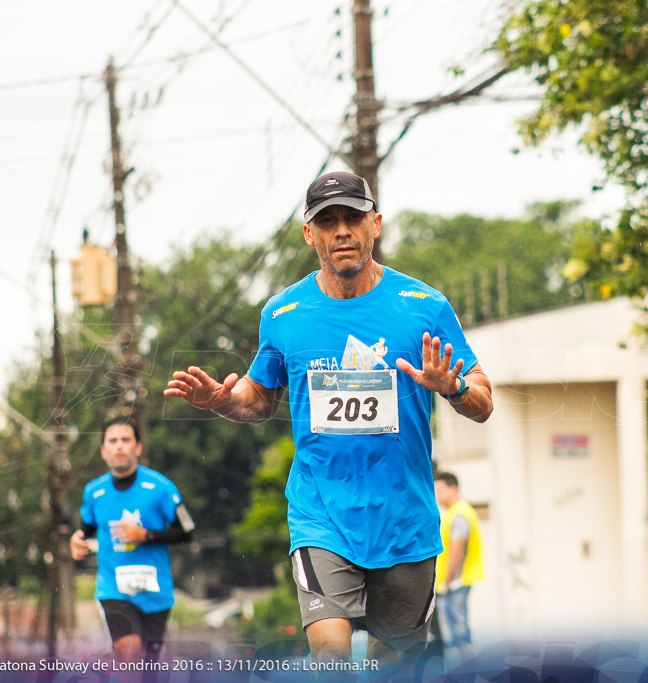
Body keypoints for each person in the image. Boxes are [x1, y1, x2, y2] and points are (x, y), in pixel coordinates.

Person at [164, 170, 493, 675]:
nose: (342, 230)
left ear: (375, 224)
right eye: (328, 220)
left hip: (405, 522)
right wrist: (222, 401)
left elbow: (484, 400)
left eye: (353, 218)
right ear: (309, 233)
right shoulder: (284, 312)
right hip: (322, 517)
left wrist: (454, 387)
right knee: (332, 657)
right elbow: (259, 398)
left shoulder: (424, 307)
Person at [70, 417, 195, 664]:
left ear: (138, 447)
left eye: (126, 440)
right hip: (113, 588)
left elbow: (187, 532)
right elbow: (85, 528)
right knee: (129, 656)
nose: (119, 446)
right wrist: (77, 540)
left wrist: (145, 535)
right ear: (104, 451)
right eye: (113, 441)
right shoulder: (93, 492)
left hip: (155, 591)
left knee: (148, 666)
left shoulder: (161, 488)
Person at [433, 471, 484, 665]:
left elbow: (456, 552)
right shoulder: (454, 513)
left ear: (453, 489)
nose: (436, 494)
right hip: (454, 583)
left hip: (454, 584)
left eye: (440, 489)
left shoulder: (459, 514)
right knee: (456, 634)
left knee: (458, 634)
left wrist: (446, 582)